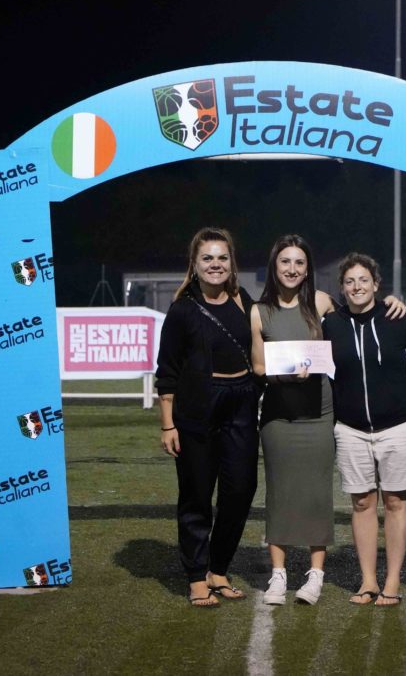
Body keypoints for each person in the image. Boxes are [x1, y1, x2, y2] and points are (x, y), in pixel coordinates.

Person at [251, 235, 406, 605]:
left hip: (320, 413)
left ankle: (316, 575)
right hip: (279, 415)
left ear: (308, 269)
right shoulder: (258, 311)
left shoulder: (321, 302)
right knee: (278, 492)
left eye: (299, 263)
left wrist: (391, 302)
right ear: (274, 266)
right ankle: (278, 575)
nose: (292, 269)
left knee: (317, 493)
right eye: (285, 262)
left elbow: (358, 316)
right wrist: (285, 373)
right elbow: (258, 366)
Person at [155, 227, 259, 608]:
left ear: (232, 263)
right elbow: (167, 371)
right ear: (195, 265)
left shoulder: (244, 301)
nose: (216, 264)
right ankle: (197, 576)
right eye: (208, 258)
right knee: (197, 495)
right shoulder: (182, 310)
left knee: (241, 490)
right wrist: (168, 424)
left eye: (222, 258)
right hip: (197, 408)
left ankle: (218, 568)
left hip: (241, 405)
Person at [322, 253, 406, 607]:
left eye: (364, 280)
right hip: (350, 429)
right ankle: (368, 581)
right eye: (350, 281)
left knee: (395, 501)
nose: (357, 286)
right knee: (361, 503)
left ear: (376, 284)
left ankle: (392, 581)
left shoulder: (397, 318)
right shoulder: (331, 324)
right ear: (342, 288)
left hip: (398, 426)